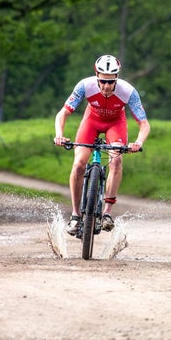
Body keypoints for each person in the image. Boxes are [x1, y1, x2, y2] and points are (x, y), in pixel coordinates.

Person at [53, 54, 150, 235]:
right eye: (103, 81)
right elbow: (63, 113)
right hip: (91, 121)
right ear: (96, 76)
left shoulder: (128, 91)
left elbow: (144, 124)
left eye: (111, 82)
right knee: (79, 163)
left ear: (116, 79)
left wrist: (137, 142)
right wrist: (59, 135)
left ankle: (107, 214)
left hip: (116, 123)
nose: (106, 86)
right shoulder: (85, 86)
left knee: (116, 161)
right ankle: (75, 215)